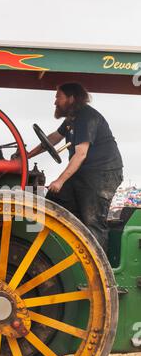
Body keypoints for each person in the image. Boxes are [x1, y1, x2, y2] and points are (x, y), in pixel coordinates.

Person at [28, 82, 123, 252]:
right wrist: (25, 155)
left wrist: (60, 180)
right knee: (55, 201)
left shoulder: (87, 117)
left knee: (92, 221)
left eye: (58, 97)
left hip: (102, 175)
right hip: (84, 174)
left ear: (71, 98)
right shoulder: (72, 119)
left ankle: (101, 273)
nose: (55, 102)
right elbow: (52, 139)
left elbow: (81, 154)